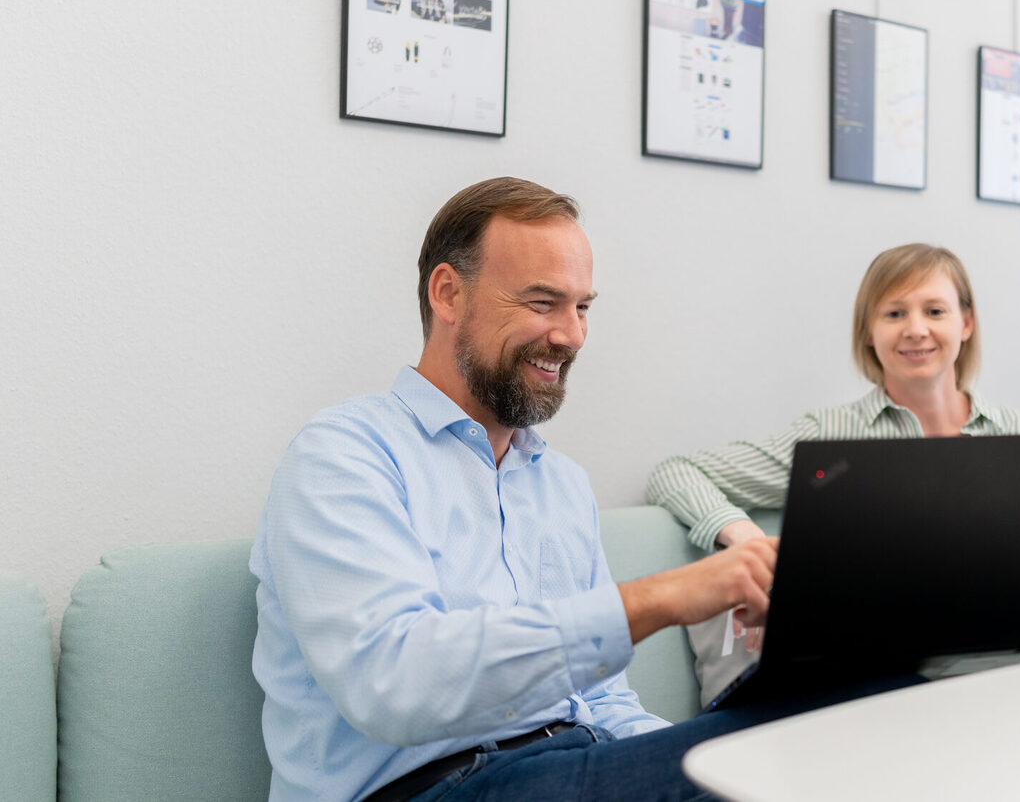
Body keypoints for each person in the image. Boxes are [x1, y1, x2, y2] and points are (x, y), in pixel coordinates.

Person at [250, 177, 911, 802]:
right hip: (432, 787)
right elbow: (393, 684)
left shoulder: (559, 483)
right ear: (447, 294)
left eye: (582, 307)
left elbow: (603, 705)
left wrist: (689, 754)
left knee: (872, 698)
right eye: (542, 302)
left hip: (576, 764)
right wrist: (664, 597)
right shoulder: (344, 454)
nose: (569, 335)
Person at [646, 243, 1020, 701]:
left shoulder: (1019, 435)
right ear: (868, 331)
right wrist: (748, 542)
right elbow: (676, 472)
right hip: (894, 688)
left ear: (966, 323)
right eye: (893, 314)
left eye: (934, 311)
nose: (915, 330)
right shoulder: (831, 435)